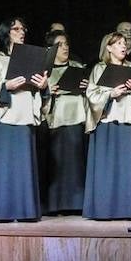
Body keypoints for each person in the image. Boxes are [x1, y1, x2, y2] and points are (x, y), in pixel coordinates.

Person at [0, 18, 46, 222]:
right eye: (16, 29)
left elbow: (39, 88)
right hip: (5, 116)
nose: (21, 32)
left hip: (25, 114)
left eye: (23, 29)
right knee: (6, 166)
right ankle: (4, 210)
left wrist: (43, 86)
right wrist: (5, 86)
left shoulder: (33, 59)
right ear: (7, 33)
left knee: (23, 166)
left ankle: (25, 210)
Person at [83, 32, 131, 220]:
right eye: (118, 43)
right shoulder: (99, 68)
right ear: (108, 47)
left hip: (128, 121)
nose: (123, 46)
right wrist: (110, 94)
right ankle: (104, 209)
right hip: (107, 122)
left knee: (127, 168)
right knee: (107, 168)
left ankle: (128, 209)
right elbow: (92, 95)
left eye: (124, 43)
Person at [43, 29, 87, 214]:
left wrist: (86, 88)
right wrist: (47, 92)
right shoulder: (45, 71)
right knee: (58, 165)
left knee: (75, 165)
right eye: (60, 45)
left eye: (66, 44)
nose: (65, 48)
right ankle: (55, 205)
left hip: (76, 118)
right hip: (56, 121)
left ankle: (76, 205)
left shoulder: (77, 66)